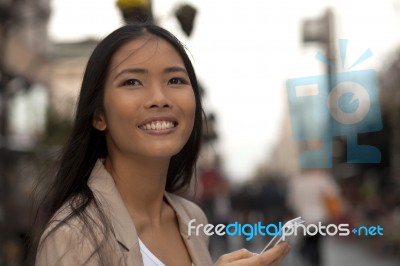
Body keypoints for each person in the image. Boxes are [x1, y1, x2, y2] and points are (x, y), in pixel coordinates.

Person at [33, 24, 290, 265]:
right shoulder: (73, 236)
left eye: (175, 80)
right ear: (99, 115)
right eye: (132, 82)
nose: (160, 98)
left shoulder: (192, 219)